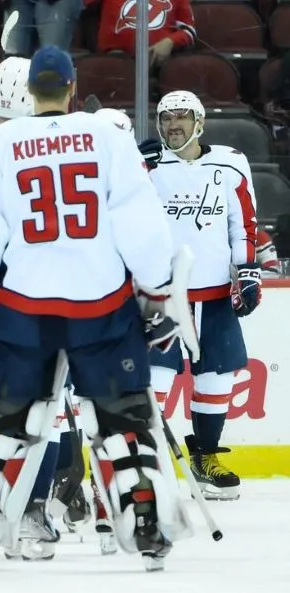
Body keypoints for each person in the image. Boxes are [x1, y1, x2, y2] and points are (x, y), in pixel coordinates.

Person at [0, 46, 192, 571]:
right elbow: (139, 222)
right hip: (101, 305)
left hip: (22, 305)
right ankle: (145, 516)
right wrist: (160, 289)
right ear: (72, 86)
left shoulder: (0, 142)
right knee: (120, 419)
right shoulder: (107, 138)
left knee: (6, 422)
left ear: (31, 91)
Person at [143, 90, 259, 501]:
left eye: (182, 117)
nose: (173, 124)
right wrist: (134, 169)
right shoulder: (149, 167)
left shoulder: (229, 163)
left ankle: (205, 457)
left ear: (200, 122)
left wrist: (247, 271)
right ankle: (146, 466)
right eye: (166, 117)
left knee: (216, 378)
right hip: (162, 296)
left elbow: (242, 224)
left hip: (213, 295)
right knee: (153, 382)